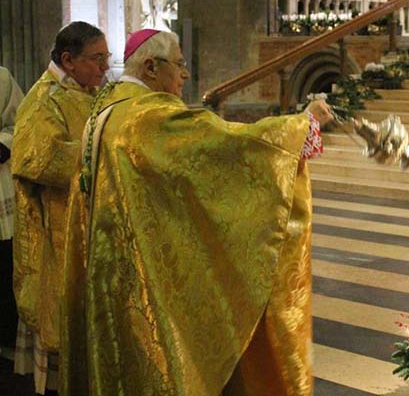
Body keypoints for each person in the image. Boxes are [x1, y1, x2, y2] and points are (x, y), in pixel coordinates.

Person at [60, 29, 332, 396]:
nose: (185, 75)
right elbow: (225, 146)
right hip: (141, 285)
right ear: (152, 67)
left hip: (110, 274)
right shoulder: (147, 117)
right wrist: (303, 124)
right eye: (181, 65)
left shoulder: (106, 110)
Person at [12, 21, 109, 395]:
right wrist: (102, 151)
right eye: (96, 59)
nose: (103, 67)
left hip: (85, 224)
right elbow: (39, 158)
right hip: (57, 231)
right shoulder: (44, 100)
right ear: (68, 60)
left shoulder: (86, 91)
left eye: (107, 58)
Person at [0, 67, 24, 355]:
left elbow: (19, 124)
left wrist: (3, 144)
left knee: (5, 265)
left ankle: (6, 338)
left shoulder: (3, 78)